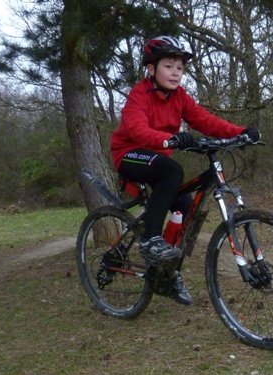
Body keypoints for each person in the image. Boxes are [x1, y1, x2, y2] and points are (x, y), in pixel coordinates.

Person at [110, 36, 260, 305]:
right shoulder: (139, 94)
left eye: (179, 68)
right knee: (172, 170)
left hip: (156, 157)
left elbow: (205, 121)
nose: (175, 72)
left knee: (186, 210)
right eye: (168, 66)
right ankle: (150, 241)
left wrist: (242, 133)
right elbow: (135, 128)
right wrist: (168, 139)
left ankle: (167, 274)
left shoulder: (180, 97)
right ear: (151, 69)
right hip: (129, 154)